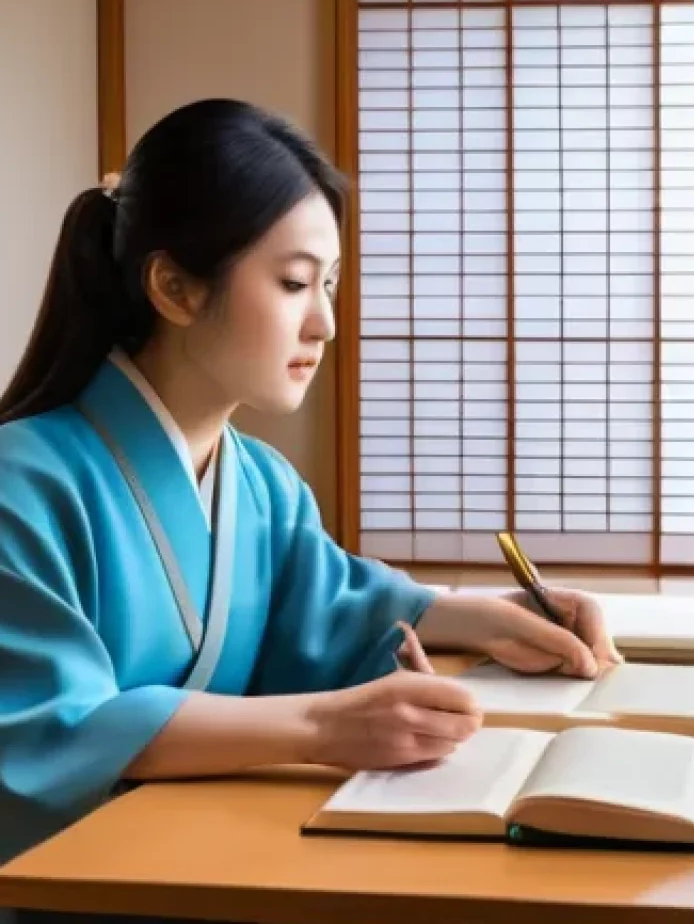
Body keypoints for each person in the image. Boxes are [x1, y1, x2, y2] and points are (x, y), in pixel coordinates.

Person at [0, 98, 622, 879]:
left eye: (329, 283)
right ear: (176, 288)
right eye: (295, 283)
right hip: (75, 884)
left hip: (210, 860)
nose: (325, 322)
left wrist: (497, 619)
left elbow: (334, 609)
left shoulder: (261, 482)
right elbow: (51, 732)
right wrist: (322, 728)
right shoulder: (19, 485)